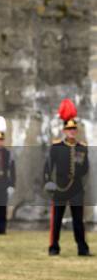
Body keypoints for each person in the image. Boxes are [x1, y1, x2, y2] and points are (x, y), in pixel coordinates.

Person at [44, 99, 91, 256]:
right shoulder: (56, 147)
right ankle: (53, 247)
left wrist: (77, 174)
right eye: (69, 129)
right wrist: (48, 182)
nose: (71, 131)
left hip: (76, 188)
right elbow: (48, 167)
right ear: (64, 130)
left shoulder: (82, 148)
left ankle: (82, 249)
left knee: (78, 221)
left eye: (73, 129)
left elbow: (85, 169)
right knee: (56, 220)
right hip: (60, 188)